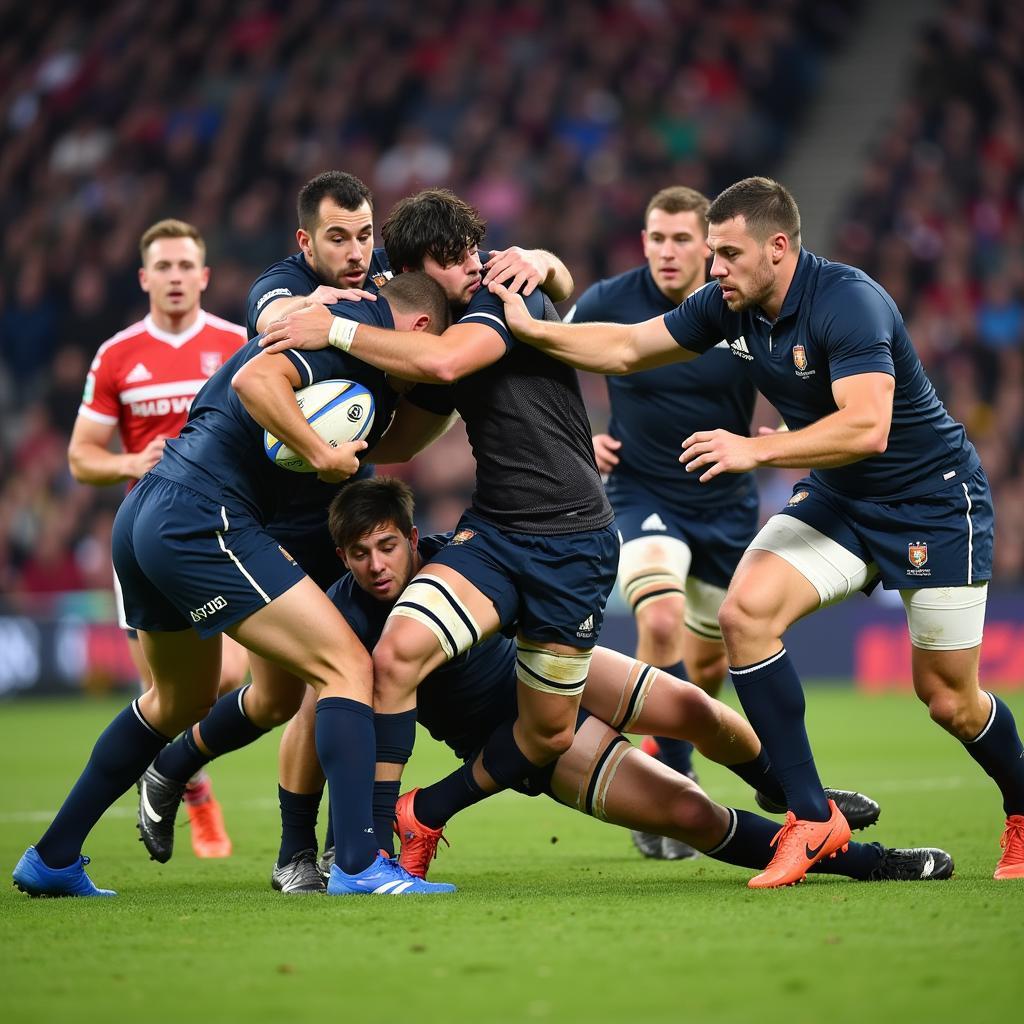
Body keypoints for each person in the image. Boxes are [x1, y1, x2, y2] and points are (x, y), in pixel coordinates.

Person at [488, 175, 1024, 888]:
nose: (713, 270)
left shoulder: (849, 301)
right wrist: (532, 332)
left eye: (727, 254)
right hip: (838, 501)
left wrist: (755, 450)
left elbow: (868, 427)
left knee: (949, 700)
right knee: (745, 616)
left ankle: (1021, 809)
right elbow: (624, 348)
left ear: (778, 248)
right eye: (711, 254)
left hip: (930, 504)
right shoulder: (728, 303)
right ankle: (809, 817)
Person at [274, 475, 949, 893]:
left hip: (548, 671)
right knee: (690, 812)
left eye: (386, 547)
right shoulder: (346, 618)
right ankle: (870, 864)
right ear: (342, 557)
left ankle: (796, 797)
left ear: (411, 536)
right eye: (359, 555)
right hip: (514, 739)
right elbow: (319, 718)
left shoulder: (455, 556)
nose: (376, 566)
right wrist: (304, 845)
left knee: (693, 706)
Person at [11, 272, 459, 898]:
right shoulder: (341, 336)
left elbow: (405, 425)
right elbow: (254, 380)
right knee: (346, 668)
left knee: (178, 701)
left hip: (146, 511)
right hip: (205, 515)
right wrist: (320, 452)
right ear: (416, 328)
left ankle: (53, 857)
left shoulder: (342, 330)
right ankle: (358, 863)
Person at [260, 188, 618, 867]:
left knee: (577, 728)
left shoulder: (493, 301)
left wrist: (335, 335)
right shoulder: (428, 327)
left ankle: (794, 792)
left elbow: (451, 359)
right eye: (455, 259)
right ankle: (363, 851)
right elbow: (399, 443)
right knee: (373, 659)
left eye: (474, 250)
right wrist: (340, 414)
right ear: (418, 272)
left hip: (577, 538)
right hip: (499, 534)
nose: (475, 265)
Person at [567, 186, 759, 860]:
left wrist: (794, 428)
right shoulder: (606, 302)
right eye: (657, 238)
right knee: (658, 621)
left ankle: (662, 745)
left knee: (704, 666)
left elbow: (810, 368)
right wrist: (579, 437)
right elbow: (543, 362)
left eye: (683, 239)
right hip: (642, 493)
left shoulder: (741, 304)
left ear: (709, 246)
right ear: (642, 241)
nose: (669, 251)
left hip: (728, 506)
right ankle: (676, 786)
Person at [67, 218, 249, 860]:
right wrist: (129, 463)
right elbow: (81, 457)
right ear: (145, 278)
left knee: (232, 672)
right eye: (163, 268)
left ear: (203, 276)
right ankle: (192, 792)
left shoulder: (236, 341)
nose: (175, 277)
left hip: (223, 533)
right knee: (169, 697)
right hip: (148, 541)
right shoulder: (117, 355)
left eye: (185, 267)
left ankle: (172, 772)